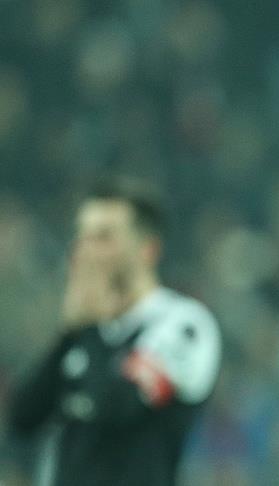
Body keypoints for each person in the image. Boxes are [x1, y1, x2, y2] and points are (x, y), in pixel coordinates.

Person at [7, 179, 222, 486]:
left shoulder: (183, 324)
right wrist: (68, 334)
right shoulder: (83, 332)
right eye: (82, 235)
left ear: (147, 250)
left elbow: (116, 405)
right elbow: (22, 420)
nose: (85, 249)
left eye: (103, 237)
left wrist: (89, 327)